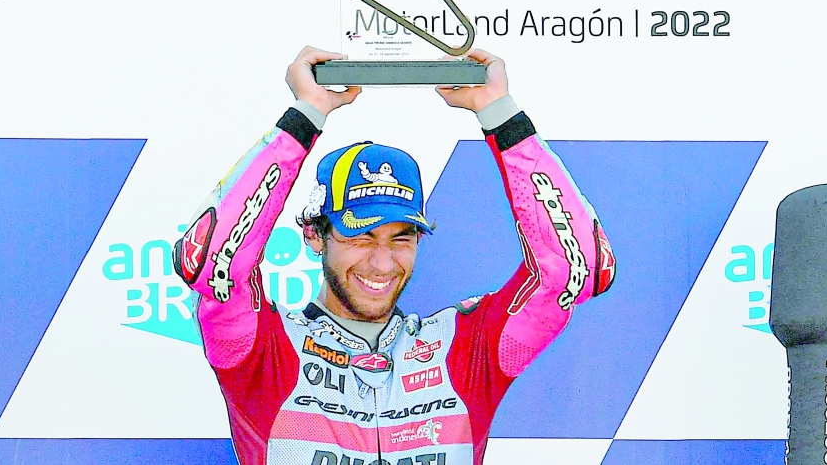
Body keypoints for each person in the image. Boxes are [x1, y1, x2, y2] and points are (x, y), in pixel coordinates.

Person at [173, 47, 616, 465]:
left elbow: (575, 268)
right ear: (313, 234)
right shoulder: (263, 353)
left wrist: (499, 113)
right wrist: (304, 116)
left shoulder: (465, 349)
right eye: (360, 237)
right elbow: (211, 263)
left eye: (401, 238)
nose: (382, 263)